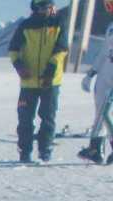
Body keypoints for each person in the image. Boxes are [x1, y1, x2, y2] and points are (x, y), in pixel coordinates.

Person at [8, 0, 68, 164]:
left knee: (48, 116)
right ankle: (24, 151)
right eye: (42, 7)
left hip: (51, 81)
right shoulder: (26, 25)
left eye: (49, 7)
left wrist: (51, 69)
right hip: (28, 82)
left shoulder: (59, 23)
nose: (46, 10)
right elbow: (13, 49)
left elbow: (62, 48)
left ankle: (45, 150)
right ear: (36, 8)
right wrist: (19, 66)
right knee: (25, 117)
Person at [78, 0, 113, 165]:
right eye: (108, 5)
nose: (110, 9)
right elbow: (104, 53)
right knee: (100, 113)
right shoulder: (111, 27)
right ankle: (95, 149)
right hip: (104, 75)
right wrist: (91, 73)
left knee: (105, 113)